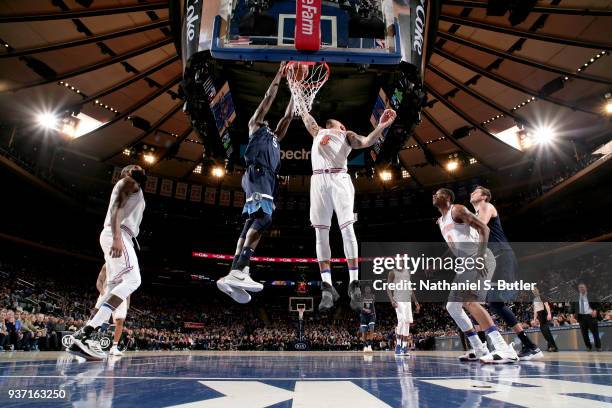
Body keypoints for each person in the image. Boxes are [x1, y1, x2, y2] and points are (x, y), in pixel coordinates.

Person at [300, 108, 397, 311]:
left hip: (339, 179)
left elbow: (366, 142)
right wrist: (298, 96)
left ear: (342, 126)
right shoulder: (317, 132)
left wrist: (381, 125)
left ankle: (354, 285)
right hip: (318, 180)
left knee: (347, 229)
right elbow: (305, 116)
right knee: (320, 233)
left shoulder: (346, 135)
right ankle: (327, 286)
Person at [217, 63, 294, 303]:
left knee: (253, 219)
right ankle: (240, 268)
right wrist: (279, 76)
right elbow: (268, 98)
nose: (269, 120)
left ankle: (234, 271)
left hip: (266, 177)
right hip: (258, 173)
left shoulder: (275, 137)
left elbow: (289, 116)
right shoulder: (256, 125)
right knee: (264, 218)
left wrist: (296, 92)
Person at [69, 164, 146, 360]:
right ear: (126, 173)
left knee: (113, 287)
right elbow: (117, 211)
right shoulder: (128, 182)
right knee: (134, 280)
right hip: (118, 233)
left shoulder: (131, 187)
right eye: (134, 166)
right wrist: (118, 238)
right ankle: (86, 333)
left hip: (115, 234)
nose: (139, 166)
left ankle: (84, 335)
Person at [433, 188, 518, 363]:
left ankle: (503, 348)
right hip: (465, 262)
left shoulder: (457, 209)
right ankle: (479, 348)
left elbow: (484, 229)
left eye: (438, 193)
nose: (434, 195)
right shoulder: (441, 221)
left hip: (478, 257)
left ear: (448, 197)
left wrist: (479, 258)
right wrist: (438, 263)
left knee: (470, 301)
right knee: (452, 307)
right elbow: (453, 247)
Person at [470, 186, 543, 360]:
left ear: (485, 196)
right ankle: (529, 346)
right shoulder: (478, 211)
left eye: (476, 191)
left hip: (502, 255)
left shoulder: (486, 206)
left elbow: (479, 227)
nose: (472, 193)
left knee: (494, 301)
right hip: (495, 258)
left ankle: (528, 346)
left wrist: (457, 221)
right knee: (494, 302)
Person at [93, 264, 130, 356]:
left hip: (121, 296)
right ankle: (94, 343)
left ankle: (114, 347)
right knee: (100, 319)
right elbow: (99, 281)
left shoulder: (128, 267)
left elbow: (129, 287)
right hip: (107, 293)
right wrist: (102, 292)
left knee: (120, 320)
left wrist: (128, 303)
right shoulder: (107, 265)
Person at [386, 268, 420, 357]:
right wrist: (392, 301)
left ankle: (404, 347)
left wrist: (416, 302)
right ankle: (398, 346)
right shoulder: (394, 277)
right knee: (401, 320)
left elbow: (411, 291)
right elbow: (388, 289)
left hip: (407, 301)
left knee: (407, 322)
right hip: (398, 300)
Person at [571, 282, 602, 351]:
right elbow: (572, 307)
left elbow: (599, 305)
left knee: (595, 333)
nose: (581, 288)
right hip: (581, 317)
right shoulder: (576, 297)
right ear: (578, 289)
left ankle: (598, 347)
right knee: (584, 334)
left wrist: (595, 310)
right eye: (580, 287)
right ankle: (588, 347)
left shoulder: (592, 295)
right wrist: (572, 315)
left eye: (582, 287)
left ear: (586, 288)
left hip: (591, 316)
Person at [532, 287, 558, 352]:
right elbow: (535, 310)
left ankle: (554, 347)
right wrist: (534, 319)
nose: (534, 291)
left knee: (546, 331)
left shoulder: (542, 296)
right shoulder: (534, 299)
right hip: (539, 315)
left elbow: (546, 305)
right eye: (533, 291)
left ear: (538, 290)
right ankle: (550, 346)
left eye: (535, 290)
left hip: (543, 313)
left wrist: (549, 314)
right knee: (544, 332)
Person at [360, 285, 376, 352]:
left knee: (371, 328)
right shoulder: (362, 297)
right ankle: (364, 346)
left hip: (371, 315)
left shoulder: (372, 296)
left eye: (369, 289)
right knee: (364, 332)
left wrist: (374, 313)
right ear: (365, 290)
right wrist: (365, 310)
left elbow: (373, 305)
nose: (368, 290)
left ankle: (369, 345)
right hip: (363, 315)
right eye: (366, 289)